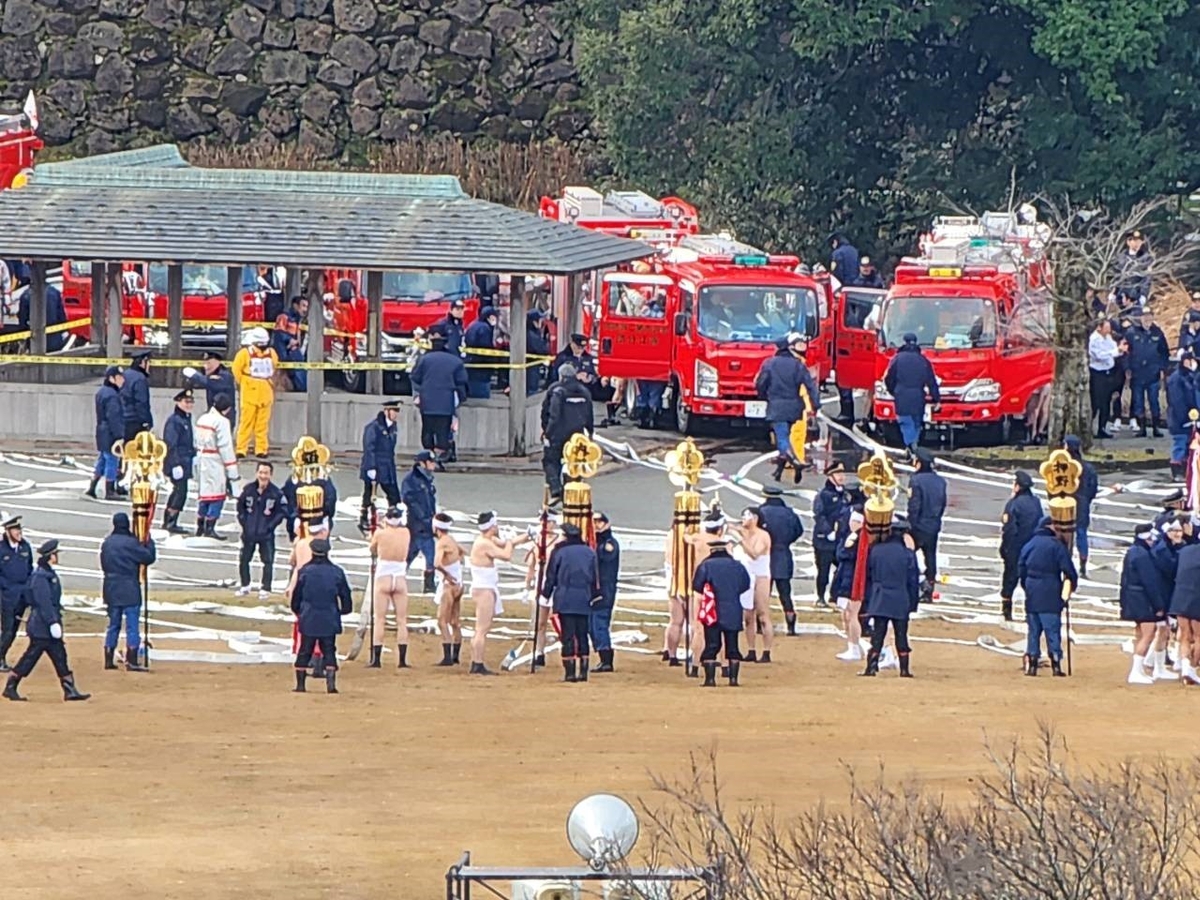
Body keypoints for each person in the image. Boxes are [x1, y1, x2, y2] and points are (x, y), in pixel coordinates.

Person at [2, 540, 90, 702]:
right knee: (32, 657)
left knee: (59, 656)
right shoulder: (41, 577)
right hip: (42, 626)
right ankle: (12, 685)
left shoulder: (45, 574)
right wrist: (52, 622)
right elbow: (44, 602)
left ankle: (69, 688)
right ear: (51, 556)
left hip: (45, 625)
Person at [467, 511, 531, 675]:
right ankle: (477, 663)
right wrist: (510, 541)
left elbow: (506, 544)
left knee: (482, 628)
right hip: (484, 589)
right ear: (491, 526)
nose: (497, 527)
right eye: (495, 524)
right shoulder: (483, 543)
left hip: (487, 586)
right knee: (482, 628)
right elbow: (506, 554)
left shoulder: (489, 540)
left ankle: (477, 661)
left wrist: (527, 535)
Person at [290, 538, 353, 694]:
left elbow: (297, 595)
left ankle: (300, 685)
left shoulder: (304, 571)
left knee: (305, 649)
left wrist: (298, 610)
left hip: (309, 615)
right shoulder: (337, 572)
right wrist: (343, 610)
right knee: (329, 649)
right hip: (329, 615)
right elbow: (345, 594)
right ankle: (331, 685)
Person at [1017, 517, 1078, 677]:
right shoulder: (1056, 546)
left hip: (1032, 590)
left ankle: (1032, 664)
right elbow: (1068, 569)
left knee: (1033, 631)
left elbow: (1021, 568)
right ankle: (1056, 664)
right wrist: (1071, 586)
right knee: (1052, 630)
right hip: (1050, 589)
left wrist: (1027, 585)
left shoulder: (1029, 544)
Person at [542, 522, 601, 683]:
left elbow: (551, 575)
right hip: (584, 598)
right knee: (582, 634)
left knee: (568, 635)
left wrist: (545, 594)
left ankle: (570, 673)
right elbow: (595, 578)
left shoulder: (559, 551)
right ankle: (583, 672)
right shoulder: (589, 552)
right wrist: (595, 595)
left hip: (565, 597)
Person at [860, 518, 920, 677]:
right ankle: (904, 669)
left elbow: (869, 576)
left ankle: (871, 667)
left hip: (880, 596)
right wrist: (913, 603)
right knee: (901, 635)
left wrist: (868, 601)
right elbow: (913, 581)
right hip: (900, 597)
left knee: (878, 633)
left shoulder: (876, 550)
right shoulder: (908, 555)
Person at [755, 332, 819, 481]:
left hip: (776, 406)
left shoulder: (769, 364)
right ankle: (779, 472)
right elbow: (810, 386)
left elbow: (761, 384)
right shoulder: (798, 365)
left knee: (782, 438)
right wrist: (815, 405)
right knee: (787, 437)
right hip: (794, 407)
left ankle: (794, 460)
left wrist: (763, 396)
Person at [99, 512, 155, 672]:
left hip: (110, 586)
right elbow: (148, 558)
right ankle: (132, 659)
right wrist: (148, 542)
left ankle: (108, 658)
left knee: (113, 624)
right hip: (129, 585)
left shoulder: (107, 543)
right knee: (132, 625)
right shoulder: (131, 543)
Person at [692, 536, 752, 687]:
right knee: (733, 645)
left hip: (712, 610)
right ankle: (733, 679)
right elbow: (745, 585)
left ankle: (710, 679)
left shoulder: (706, 565)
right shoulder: (737, 566)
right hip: (733, 609)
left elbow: (697, 586)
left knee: (712, 644)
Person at [540, 362, 596, 505]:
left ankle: (556, 490)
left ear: (561, 376)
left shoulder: (556, 390)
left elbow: (551, 413)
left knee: (550, 460)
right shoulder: (584, 391)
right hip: (577, 435)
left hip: (558, 434)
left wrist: (547, 432)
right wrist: (590, 433)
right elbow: (589, 414)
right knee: (575, 462)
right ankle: (572, 490)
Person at [410, 333, 468, 466]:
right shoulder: (455, 361)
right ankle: (441, 456)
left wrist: (418, 394)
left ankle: (428, 456)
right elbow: (462, 381)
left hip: (427, 401)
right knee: (443, 430)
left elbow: (415, 377)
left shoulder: (424, 359)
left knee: (427, 429)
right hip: (446, 402)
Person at [367, 506, 412, 669]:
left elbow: (372, 548)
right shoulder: (406, 533)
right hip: (399, 577)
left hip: (383, 577)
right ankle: (402, 660)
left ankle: (376, 659)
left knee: (380, 619)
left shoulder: (380, 533)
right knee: (401, 620)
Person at [1120, 523, 1166, 685]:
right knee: (1148, 634)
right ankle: (1135, 671)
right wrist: (1159, 605)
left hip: (1133, 599)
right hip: (1142, 600)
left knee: (1140, 635)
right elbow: (1150, 582)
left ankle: (1138, 670)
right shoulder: (1143, 556)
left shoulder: (1132, 552)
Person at [236, 461, 287, 600]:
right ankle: (245, 585)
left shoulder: (276, 493)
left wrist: (270, 526)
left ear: (271, 475)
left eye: (266, 473)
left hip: (266, 534)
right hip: (249, 532)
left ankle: (265, 587)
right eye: (261, 472)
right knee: (244, 559)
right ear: (257, 473)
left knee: (268, 561)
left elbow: (281, 512)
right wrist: (244, 523)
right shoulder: (248, 490)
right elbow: (240, 507)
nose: (263, 476)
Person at [758, 485, 804, 635]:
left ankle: (760, 624)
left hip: (765, 555)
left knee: (764, 592)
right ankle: (790, 624)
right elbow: (799, 531)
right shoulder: (789, 513)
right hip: (783, 552)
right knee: (785, 593)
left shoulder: (761, 512)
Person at [193, 394, 240, 540]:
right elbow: (225, 447)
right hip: (215, 461)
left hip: (201, 458)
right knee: (217, 495)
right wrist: (233, 471)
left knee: (203, 495)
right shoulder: (222, 422)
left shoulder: (202, 418)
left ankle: (200, 525)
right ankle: (210, 526)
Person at [998, 470, 1043, 621]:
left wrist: (1005, 548)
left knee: (1010, 578)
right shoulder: (1036, 502)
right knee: (1029, 581)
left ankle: (1007, 609)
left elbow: (1009, 529)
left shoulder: (1013, 504)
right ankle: (1029, 611)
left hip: (1016, 547)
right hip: (1033, 547)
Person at [883, 333, 940, 452]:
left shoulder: (897, 359)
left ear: (904, 341)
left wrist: (893, 391)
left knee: (905, 422)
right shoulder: (923, 360)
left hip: (902, 395)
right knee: (916, 422)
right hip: (918, 395)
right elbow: (931, 381)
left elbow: (889, 379)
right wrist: (936, 399)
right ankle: (915, 445)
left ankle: (910, 445)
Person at [732, 507, 773, 663]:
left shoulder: (763, 536)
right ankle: (751, 649)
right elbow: (727, 525)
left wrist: (741, 540)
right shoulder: (743, 531)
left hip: (761, 576)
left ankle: (767, 651)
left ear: (755, 518)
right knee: (748, 616)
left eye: (746, 516)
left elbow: (755, 554)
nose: (743, 519)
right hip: (746, 576)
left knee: (762, 615)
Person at [231, 326, 278, 458]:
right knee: (246, 422)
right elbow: (236, 370)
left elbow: (274, 367)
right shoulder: (244, 354)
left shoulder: (272, 353)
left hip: (266, 392)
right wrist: (246, 383)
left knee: (262, 424)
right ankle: (241, 449)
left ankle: (261, 449)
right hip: (249, 393)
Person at [907, 448, 947, 599]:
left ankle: (916, 584)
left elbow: (914, 507)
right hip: (933, 525)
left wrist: (910, 526)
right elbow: (942, 504)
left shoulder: (916, 480)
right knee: (930, 557)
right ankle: (929, 589)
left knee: (908, 555)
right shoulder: (940, 481)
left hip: (918, 526)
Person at [1124, 307, 1169, 437]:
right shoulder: (1132, 332)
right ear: (1140, 318)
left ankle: (1155, 427)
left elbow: (1164, 352)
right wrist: (1127, 368)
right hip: (1137, 373)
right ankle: (1142, 428)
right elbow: (1126, 351)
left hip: (1153, 374)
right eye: (1145, 316)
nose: (1147, 319)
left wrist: (1162, 368)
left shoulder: (1158, 333)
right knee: (1138, 401)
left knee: (1154, 401)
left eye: (1149, 316)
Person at [811, 461, 850, 608]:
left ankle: (834, 595)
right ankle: (821, 597)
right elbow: (819, 515)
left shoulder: (845, 493)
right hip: (824, 540)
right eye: (837, 474)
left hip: (840, 539)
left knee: (842, 568)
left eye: (842, 474)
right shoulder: (823, 495)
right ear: (830, 476)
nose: (841, 477)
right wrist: (828, 532)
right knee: (823, 570)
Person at [359, 399, 400, 532]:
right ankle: (364, 518)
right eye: (394, 410)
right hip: (375, 464)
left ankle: (394, 517)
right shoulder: (374, 427)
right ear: (386, 411)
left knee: (393, 493)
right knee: (369, 494)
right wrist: (371, 467)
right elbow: (369, 447)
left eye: (397, 411)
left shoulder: (393, 427)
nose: (396, 414)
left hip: (387, 465)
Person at [401, 450, 439, 593]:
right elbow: (409, 500)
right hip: (415, 526)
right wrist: (424, 518)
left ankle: (429, 586)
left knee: (431, 559)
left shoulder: (427, 479)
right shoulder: (411, 480)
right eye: (431, 462)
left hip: (427, 526)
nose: (433, 465)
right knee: (406, 557)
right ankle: (396, 581)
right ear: (422, 463)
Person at [87, 365, 126, 501]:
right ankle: (110, 489)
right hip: (110, 432)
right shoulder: (112, 396)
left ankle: (93, 486)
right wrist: (119, 436)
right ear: (112, 379)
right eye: (119, 377)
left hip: (102, 430)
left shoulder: (102, 392)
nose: (122, 380)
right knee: (112, 460)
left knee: (103, 459)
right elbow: (114, 417)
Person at [0, 515, 33, 672]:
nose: (19, 532)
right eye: (15, 529)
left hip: (21, 596)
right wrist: (6, 588)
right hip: (7, 596)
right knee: (7, 629)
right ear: (8, 531)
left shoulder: (25, 547)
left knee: (13, 630)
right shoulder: (1, 549)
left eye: (19, 529)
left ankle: (2, 655)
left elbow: (29, 569)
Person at [432, 512, 466, 666]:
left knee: (442, 620)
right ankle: (456, 655)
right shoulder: (452, 540)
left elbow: (437, 563)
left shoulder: (442, 543)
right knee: (455, 621)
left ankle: (447, 656)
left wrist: (446, 574)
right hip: (459, 584)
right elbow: (462, 552)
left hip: (449, 586)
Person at [161, 388, 196, 535]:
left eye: (190, 402)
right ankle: (170, 520)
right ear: (178, 402)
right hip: (178, 461)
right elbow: (171, 444)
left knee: (181, 491)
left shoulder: (185, 419)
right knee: (180, 492)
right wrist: (175, 464)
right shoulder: (175, 421)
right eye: (185, 401)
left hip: (185, 460)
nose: (188, 404)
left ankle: (171, 520)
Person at [1062, 435, 1098, 578]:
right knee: (1081, 533)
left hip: (1066, 502)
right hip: (1082, 503)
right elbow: (1093, 487)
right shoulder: (1087, 467)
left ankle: (1065, 564)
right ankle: (1083, 565)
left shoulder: (1063, 466)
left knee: (1065, 534)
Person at [833, 508, 865, 661]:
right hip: (845, 578)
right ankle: (852, 646)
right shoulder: (850, 536)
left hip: (853, 579)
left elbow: (844, 554)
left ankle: (855, 646)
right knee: (846, 614)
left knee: (852, 614)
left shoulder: (861, 539)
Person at [592, 512, 620, 673]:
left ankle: (606, 658)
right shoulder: (596, 542)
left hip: (605, 589)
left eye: (599, 521)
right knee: (592, 625)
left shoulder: (610, 544)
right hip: (596, 588)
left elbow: (602, 558)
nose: (596, 525)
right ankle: (603, 655)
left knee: (599, 623)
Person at [1166, 350, 1200, 482]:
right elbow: (1177, 401)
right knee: (1180, 443)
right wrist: (1185, 417)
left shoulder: (1190, 376)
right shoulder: (1177, 378)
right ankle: (1177, 471)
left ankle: (1185, 469)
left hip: (1191, 418)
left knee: (1188, 444)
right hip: (1179, 419)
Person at [183, 350, 238, 431]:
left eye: (209, 363)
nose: (206, 367)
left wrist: (194, 375)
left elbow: (210, 383)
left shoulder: (225, 376)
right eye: (204, 363)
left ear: (217, 363)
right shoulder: (210, 375)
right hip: (213, 415)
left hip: (225, 417)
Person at [1088, 318, 1121, 439]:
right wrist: (1115, 351)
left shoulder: (1108, 337)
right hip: (1097, 373)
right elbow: (1099, 355)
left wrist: (1119, 350)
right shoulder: (1094, 339)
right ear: (1099, 327)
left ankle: (1102, 427)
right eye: (1106, 327)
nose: (1109, 329)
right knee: (1096, 402)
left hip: (1108, 371)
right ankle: (1090, 427)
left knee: (1106, 402)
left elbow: (1113, 349)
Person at [281, 473, 337, 542]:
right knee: (318, 549)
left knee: (300, 548)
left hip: (302, 522)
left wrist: (293, 515)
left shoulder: (293, 479)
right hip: (318, 522)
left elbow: (285, 499)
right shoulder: (324, 479)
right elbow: (331, 500)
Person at [272, 295, 307, 392]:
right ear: (295, 306)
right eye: (303, 306)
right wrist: (288, 342)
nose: (305, 309)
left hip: (293, 350)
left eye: (306, 306)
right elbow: (279, 335)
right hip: (287, 351)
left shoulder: (298, 319)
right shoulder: (284, 317)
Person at [463, 305, 498, 398]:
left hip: (471, 362)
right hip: (481, 366)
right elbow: (485, 349)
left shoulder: (473, 325)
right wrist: (493, 360)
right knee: (481, 393)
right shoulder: (485, 328)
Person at [120, 349, 153, 442]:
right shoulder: (140, 379)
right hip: (135, 422)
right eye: (148, 362)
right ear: (142, 362)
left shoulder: (125, 375)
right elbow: (142, 403)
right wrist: (146, 422)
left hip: (122, 420)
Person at [525, 310, 551, 395]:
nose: (542, 322)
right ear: (534, 322)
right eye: (540, 320)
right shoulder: (531, 334)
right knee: (532, 389)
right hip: (531, 365)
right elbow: (539, 348)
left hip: (534, 365)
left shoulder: (535, 332)